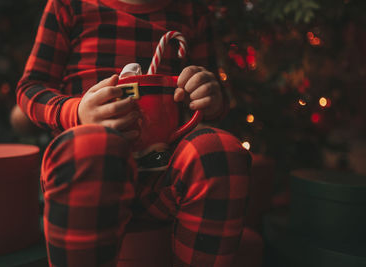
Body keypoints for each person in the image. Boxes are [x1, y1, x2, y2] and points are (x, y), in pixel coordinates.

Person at [16, 0, 251, 266]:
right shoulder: (68, 5)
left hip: (166, 180)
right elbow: (30, 87)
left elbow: (207, 96)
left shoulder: (191, 11)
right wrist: (76, 111)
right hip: (88, 175)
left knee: (219, 151)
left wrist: (210, 96)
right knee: (92, 147)